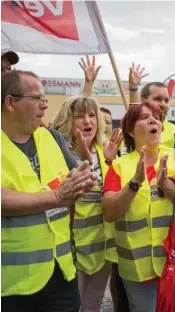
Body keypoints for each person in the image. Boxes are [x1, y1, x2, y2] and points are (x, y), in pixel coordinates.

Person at [1, 70, 97, 312]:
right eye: (37, 99)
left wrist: (84, 177)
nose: (44, 106)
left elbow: (74, 179)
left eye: (45, 99)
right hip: (11, 284)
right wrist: (56, 197)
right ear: (10, 102)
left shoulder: (51, 137)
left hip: (61, 273)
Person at [102, 102, 175, 312]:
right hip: (137, 268)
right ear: (130, 130)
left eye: (156, 117)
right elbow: (110, 212)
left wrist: (167, 186)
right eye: (144, 117)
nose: (153, 120)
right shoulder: (120, 166)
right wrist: (134, 183)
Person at [52, 95, 122, 312]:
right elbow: (57, 194)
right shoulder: (56, 151)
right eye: (79, 116)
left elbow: (114, 194)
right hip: (71, 245)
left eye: (92, 115)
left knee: (93, 305)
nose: (88, 121)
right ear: (67, 120)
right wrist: (84, 161)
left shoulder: (106, 150)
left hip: (101, 244)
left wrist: (110, 162)